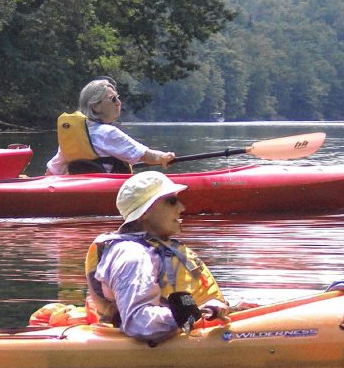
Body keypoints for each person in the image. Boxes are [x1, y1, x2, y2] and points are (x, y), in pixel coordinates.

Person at [85, 171, 229, 344]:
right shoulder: (132, 255)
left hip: (198, 325)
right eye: (171, 201)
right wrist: (187, 314)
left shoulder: (154, 246)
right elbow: (138, 322)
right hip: (171, 339)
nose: (181, 208)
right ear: (145, 212)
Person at [45, 78, 175, 175]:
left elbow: (51, 172)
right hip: (105, 192)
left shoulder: (75, 136)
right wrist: (164, 157)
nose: (119, 102)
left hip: (79, 193)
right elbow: (147, 156)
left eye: (117, 98)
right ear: (95, 106)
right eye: (113, 99)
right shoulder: (107, 133)